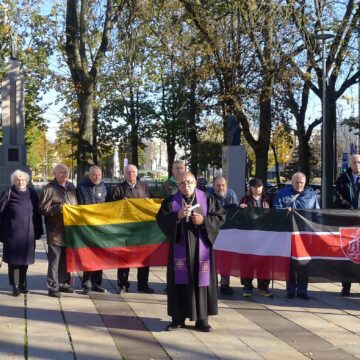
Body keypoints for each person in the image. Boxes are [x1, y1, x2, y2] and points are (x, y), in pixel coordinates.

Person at [156, 172, 226, 332]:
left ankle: (202, 320)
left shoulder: (207, 199)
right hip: (179, 249)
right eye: (182, 183)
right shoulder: (171, 201)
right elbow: (161, 219)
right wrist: (178, 216)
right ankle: (177, 319)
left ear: (195, 183)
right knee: (179, 282)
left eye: (189, 182)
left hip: (201, 251)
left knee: (201, 281)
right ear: (178, 185)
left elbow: (220, 217)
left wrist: (204, 221)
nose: (186, 186)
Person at [108, 164, 154, 294]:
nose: (131, 174)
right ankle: (123, 285)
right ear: (124, 174)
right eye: (128, 172)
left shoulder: (144, 187)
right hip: (125, 230)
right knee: (124, 258)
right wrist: (119, 203)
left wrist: (148, 202)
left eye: (133, 172)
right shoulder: (118, 189)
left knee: (144, 258)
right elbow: (109, 207)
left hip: (142, 230)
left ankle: (143, 284)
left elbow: (153, 202)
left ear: (137, 173)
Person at [273, 172, 319, 300]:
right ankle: (291, 290)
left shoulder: (311, 196)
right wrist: (284, 211)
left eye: (301, 183)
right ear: (292, 182)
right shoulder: (282, 194)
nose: (299, 185)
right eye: (297, 182)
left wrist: (317, 231)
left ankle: (303, 290)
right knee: (291, 263)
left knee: (304, 263)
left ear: (305, 183)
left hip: (305, 235)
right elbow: (275, 210)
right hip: (289, 234)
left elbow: (317, 214)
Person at [0, 170, 42, 296]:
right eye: (18, 180)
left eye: (23, 180)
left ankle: (22, 283)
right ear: (13, 181)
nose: (20, 182)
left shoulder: (32, 194)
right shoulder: (8, 193)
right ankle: (15, 286)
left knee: (25, 260)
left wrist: (38, 231)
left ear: (27, 181)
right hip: (12, 233)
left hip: (28, 233)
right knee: (13, 262)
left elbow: (37, 214)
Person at [39, 163, 77, 298]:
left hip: (69, 231)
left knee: (66, 260)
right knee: (55, 260)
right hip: (55, 231)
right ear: (54, 174)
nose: (64, 175)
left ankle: (64, 283)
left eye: (66, 172)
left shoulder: (71, 187)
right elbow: (42, 209)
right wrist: (58, 208)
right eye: (61, 172)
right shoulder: (49, 188)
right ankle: (53, 287)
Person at [77, 165, 108, 295]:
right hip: (87, 227)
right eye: (94, 175)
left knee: (99, 256)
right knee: (88, 255)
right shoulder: (81, 187)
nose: (97, 177)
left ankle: (96, 283)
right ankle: (86, 284)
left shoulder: (105, 187)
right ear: (89, 175)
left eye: (99, 175)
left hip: (100, 227)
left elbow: (110, 204)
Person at [239, 178, 272, 298]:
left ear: (262, 187)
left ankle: (263, 287)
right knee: (248, 262)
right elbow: (240, 218)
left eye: (259, 186)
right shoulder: (245, 199)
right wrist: (241, 210)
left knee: (264, 263)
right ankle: (247, 287)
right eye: (254, 186)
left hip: (264, 236)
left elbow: (275, 214)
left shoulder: (268, 199)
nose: (257, 188)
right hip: (249, 237)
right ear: (250, 188)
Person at [335, 153, 360, 296]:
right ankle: (346, 287)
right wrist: (351, 211)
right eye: (354, 162)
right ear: (349, 164)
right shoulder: (343, 179)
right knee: (348, 255)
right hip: (349, 221)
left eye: (359, 162)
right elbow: (338, 197)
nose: (357, 165)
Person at [211, 175, 238, 295]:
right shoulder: (208, 196)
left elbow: (236, 210)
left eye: (223, 185)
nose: (220, 187)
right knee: (213, 258)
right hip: (213, 231)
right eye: (218, 185)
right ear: (213, 186)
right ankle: (212, 285)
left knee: (226, 259)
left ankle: (225, 284)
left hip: (228, 232)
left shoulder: (231, 194)